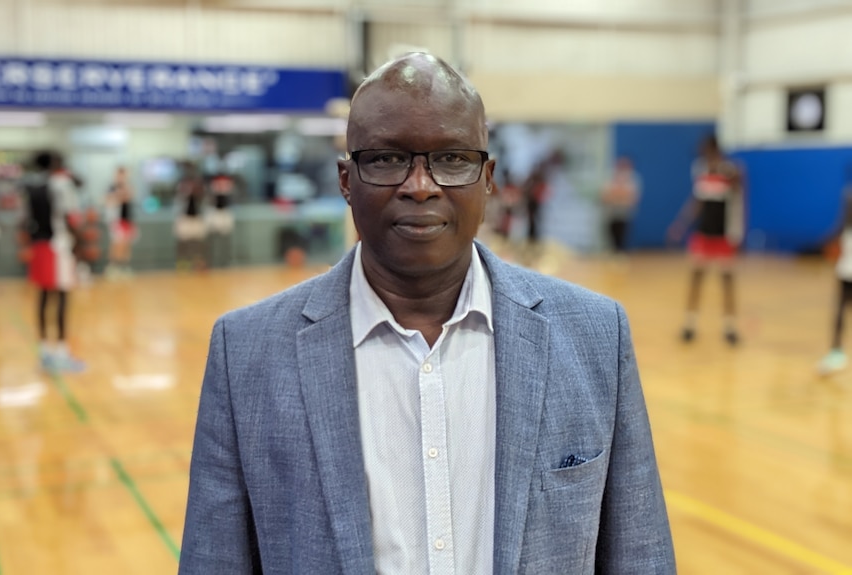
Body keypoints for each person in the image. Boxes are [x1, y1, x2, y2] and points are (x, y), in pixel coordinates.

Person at [179, 53, 675, 574]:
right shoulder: (247, 352)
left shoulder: (596, 335)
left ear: (488, 178)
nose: (420, 185)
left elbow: (640, 555)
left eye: (453, 159)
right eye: (388, 159)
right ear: (347, 179)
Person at [668, 134, 745, 345]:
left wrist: (739, 232)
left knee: (726, 280)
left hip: (724, 235)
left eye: (706, 151)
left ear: (714, 150)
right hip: (703, 234)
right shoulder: (701, 170)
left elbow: (740, 200)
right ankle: (689, 324)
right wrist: (681, 224)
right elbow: (696, 202)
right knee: (696, 277)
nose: (704, 156)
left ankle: (730, 326)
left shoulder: (732, 171)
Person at [21, 151, 85, 372]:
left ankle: (44, 351)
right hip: (58, 247)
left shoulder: (30, 186)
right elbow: (71, 217)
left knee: (43, 296)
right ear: (55, 163)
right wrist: (77, 245)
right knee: (62, 297)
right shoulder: (60, 184)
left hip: (39, 246)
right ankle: (61, 352)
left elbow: (25, 221)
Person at [818, 184, 852, 375]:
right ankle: (835, 351)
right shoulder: (848, 194)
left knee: (841, 306)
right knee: (840, 306)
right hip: (848, 253)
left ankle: (836, 351)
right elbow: (842, 224)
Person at [601, 156, 641, 257]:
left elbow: (632, 198)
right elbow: (605, 196)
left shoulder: (634, 179)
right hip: (611, 214)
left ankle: (621, 258)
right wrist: (619, 195)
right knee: (612, 240)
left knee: (622, 239)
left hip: (624, 215)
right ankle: (613, 259)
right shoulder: (609, 177)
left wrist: (617, 194)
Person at [105, 166, 137, 279]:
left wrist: (125, 192)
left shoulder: (128, 187)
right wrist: (119, 195)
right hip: (116, 221)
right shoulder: (112, 187)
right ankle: (113, 267)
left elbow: (130, 197)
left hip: (127, 220)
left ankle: (124, 267)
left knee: (126, 245)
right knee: (117, 245)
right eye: (120, 174)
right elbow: (107, 200)